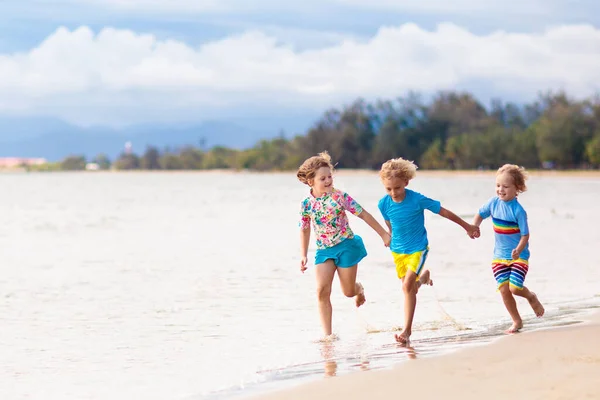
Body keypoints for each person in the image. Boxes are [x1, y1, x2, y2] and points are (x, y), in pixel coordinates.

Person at [378, 157, 480, 344]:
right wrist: (390, 237)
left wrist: (467, 226)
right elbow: (389, 222)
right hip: (398, 251)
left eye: (397, 188)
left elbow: (443, 212)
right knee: (408, 289)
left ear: (406, 182)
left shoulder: (417, 199)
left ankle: (407, 331)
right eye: (388, 189)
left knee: (407, 285)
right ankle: (423, 278)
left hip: (418, 248)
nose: (393, 192)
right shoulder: (383, 204)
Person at [297, 151, 391, 339]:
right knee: (322, 291)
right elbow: (305, 229)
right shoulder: (307, 204)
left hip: (346, 246)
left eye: (329, 176)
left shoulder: (340, 197)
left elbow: (363, 214)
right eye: (322, 178)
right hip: (324, 251)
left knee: (348, 292)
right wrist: (303, 254)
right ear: (311, 181)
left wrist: (383, 234)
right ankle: (328, 336)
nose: (328, 181)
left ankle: (359, 289)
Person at [473, 164, 545, 333]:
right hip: (499, 256)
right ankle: (517, 321)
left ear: (517, 188)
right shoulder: (492, 203)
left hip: (519, 256)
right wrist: (475, 226)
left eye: (505, 186)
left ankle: (530, 296)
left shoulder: (518, 211)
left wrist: (519, 250)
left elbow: (525, 235)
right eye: (498, 185)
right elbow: (479, 214)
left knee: (515, 288)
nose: (500, 190)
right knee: (504, 290)